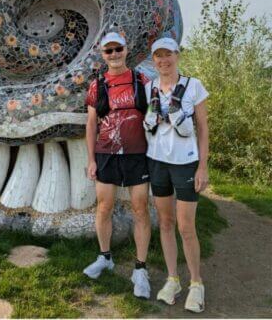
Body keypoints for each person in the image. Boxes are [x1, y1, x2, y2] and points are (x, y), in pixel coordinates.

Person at [82, 32, 153, 299]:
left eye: (118, 49)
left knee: (140, 208)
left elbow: (154, 113)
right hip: (106, 153)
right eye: (108, 51)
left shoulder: (141, 80)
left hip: (137, 154)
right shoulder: (96, 86)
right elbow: (90, 124)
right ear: (103, 55)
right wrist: (91, 159)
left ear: (126, 49)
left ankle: (141, 269)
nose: (114, 54)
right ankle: (105, 257)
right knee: (104, 207)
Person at [142, 38, 209, 313]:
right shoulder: (149, 88)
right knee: (166, 223)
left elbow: (203, 128)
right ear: (154, 60)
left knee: (185, 226)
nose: (163, 60)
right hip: (157, 162)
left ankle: (196, 283)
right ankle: (173, 279)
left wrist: (203, 166)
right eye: (158, 56)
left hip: (185, 163)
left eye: (168, 54)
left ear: (177, 56)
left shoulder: (194, 86)